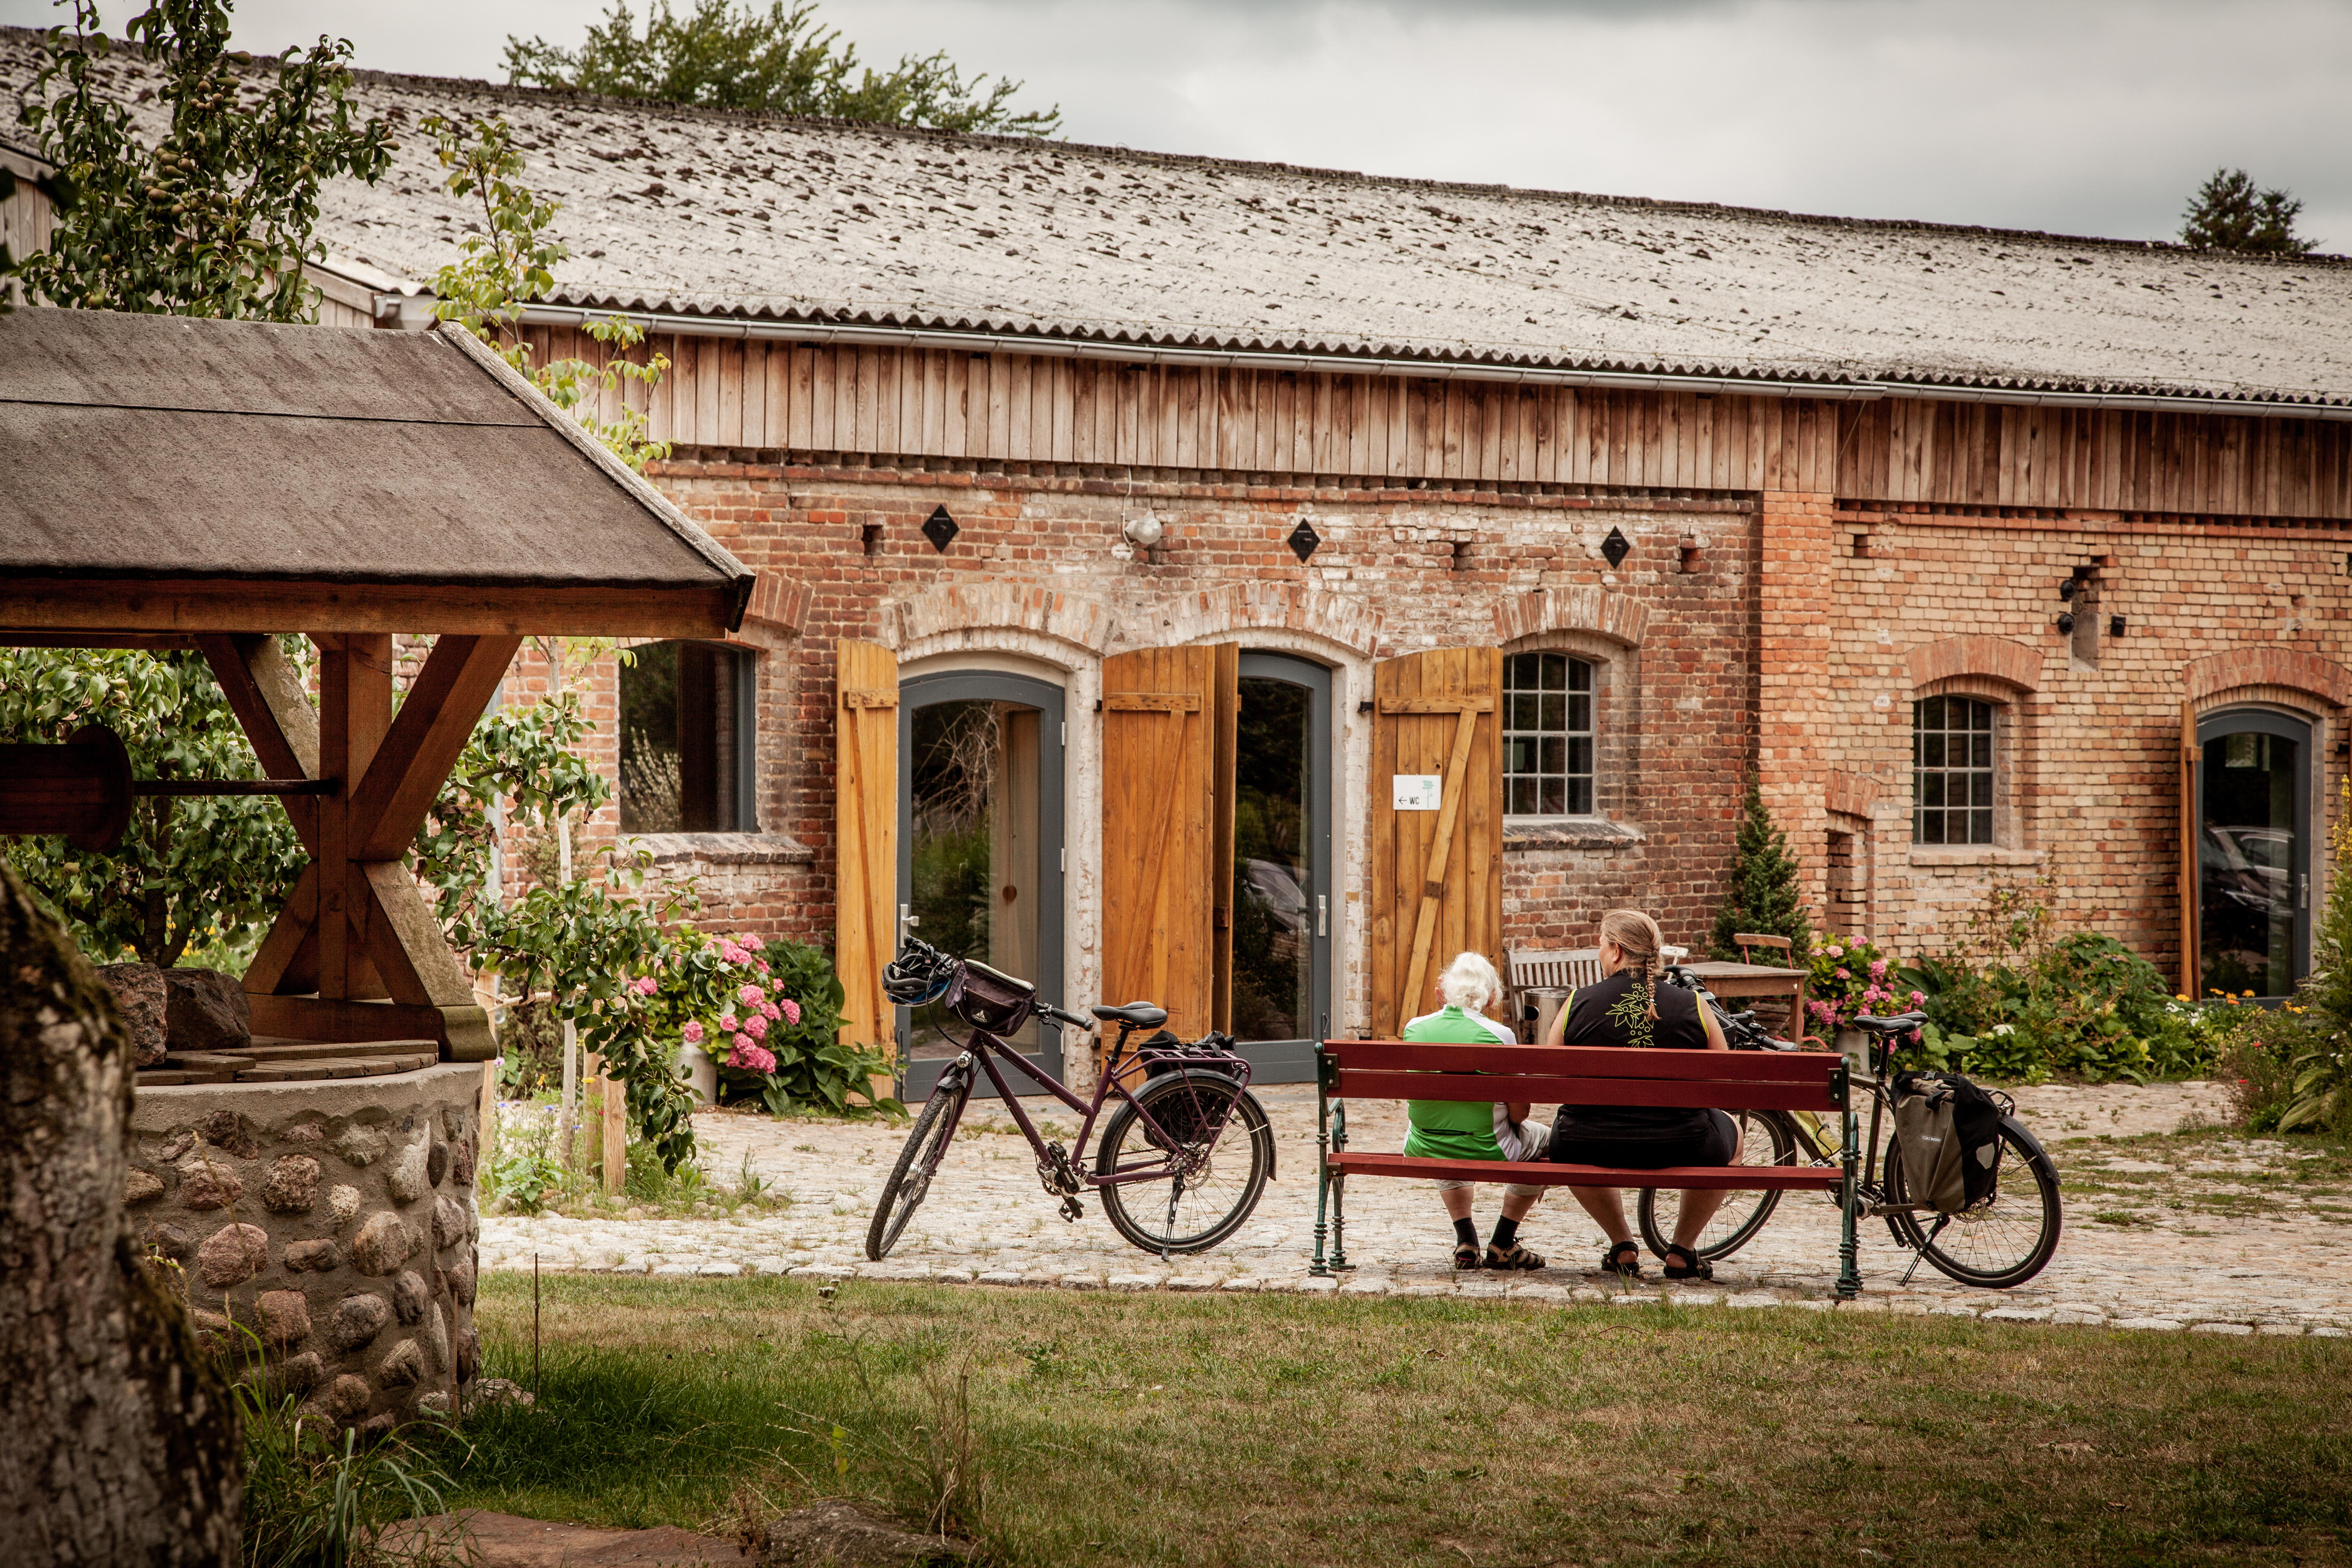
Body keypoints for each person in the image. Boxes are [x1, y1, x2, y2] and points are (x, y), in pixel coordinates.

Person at [1541, 908, 1738, 1281]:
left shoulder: (1577, 1002)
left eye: (1600, 944)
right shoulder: (1691, 1004)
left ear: (1615, 951)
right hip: (1683, 1142)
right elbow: (1722, 1078)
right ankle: (1681, 1250)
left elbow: (1554, 1076)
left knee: (1565, 1134)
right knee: (1733, 1133)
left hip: (1587, 1143)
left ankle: (1622, 1245)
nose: (1599, 952)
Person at [1402, 952, 1550, 1271]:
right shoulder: (1501, 1036)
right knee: (1549, 1140)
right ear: (1492, 996)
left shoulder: (1414, 1029)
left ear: (1443, 990)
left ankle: (1467, 1240)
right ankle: (1504, 1242)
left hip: (1425, 1146)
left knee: (1445, 1131)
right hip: (1489, 1147)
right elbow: (1519, 1115)